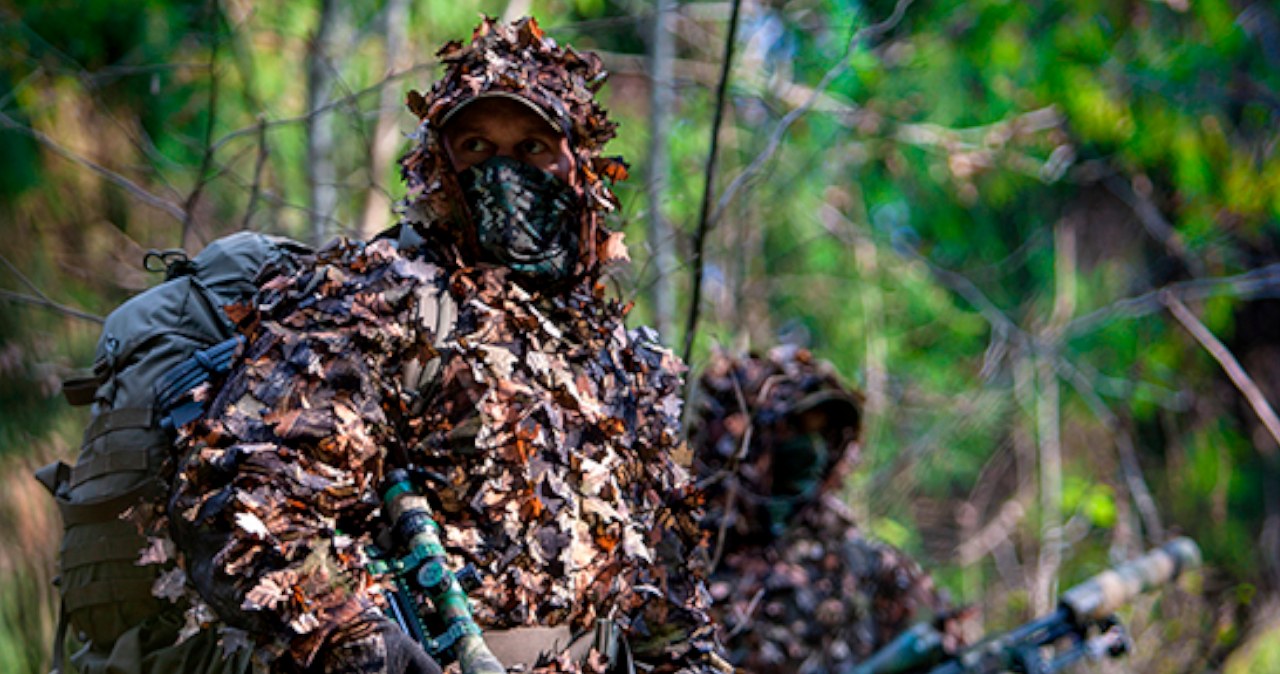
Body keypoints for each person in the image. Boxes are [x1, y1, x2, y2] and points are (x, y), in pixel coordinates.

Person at [140, 16, 724, 674]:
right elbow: (245, 499)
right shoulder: (378, 300)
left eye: (532, 147)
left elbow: (669, 602)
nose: (504, 174)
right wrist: (368, 651)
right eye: (476, 147)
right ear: (435, 164)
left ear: (579, 164)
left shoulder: (619, 354)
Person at [689, 345, 962, 674]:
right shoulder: (680, 556)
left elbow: (946, 650)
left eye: (823, 432)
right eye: (797, 428)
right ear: (742, 431)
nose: (813, 447)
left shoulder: (862, 565)